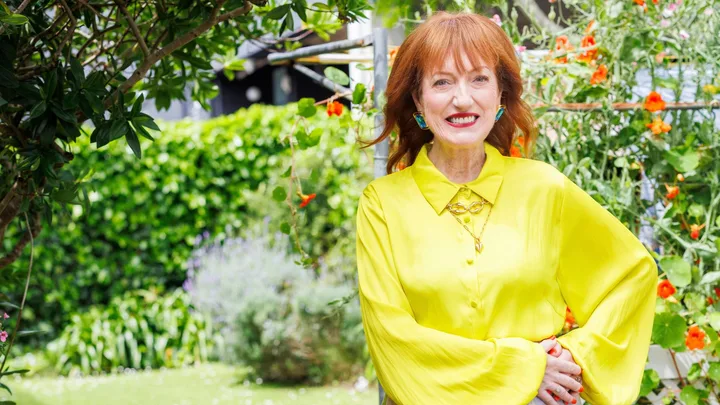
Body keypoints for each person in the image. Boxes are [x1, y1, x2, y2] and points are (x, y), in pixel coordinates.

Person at [355, 11, 658, 405]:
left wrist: (574, 357)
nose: (462, 99)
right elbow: (392, 337)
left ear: (500, 94)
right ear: (417, 99)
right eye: (442, 81)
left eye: (479, 79)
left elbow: (631, 277)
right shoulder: (382, 204)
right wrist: (524, 369)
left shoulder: (545, 188)